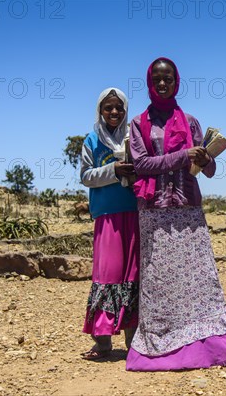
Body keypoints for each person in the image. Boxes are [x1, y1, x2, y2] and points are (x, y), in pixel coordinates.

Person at [126, 57, 226, 371]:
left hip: (188, 210)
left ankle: (213, 343)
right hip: (154, 212)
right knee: (159, 283)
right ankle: (160, 346)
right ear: (149, 82)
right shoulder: (139, 123)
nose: (163, 83)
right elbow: (141, 165)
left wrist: (207, 156)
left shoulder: (192, 122)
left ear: (177, 81)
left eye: (168, 78)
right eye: (157, 79)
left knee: (199, 282)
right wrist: (184, 155)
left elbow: (206, 171)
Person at [81, 88, 139, 360]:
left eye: (119, 108)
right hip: (107, 217)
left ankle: (134, 340)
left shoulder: (134, 138)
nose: (114, 112)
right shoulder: (92, 141)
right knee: (107, 274)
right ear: (100, 111)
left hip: (134, 214)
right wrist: (113, 171)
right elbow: (86, 176)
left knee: (132, 274)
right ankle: (102, 340)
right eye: (108, 108)